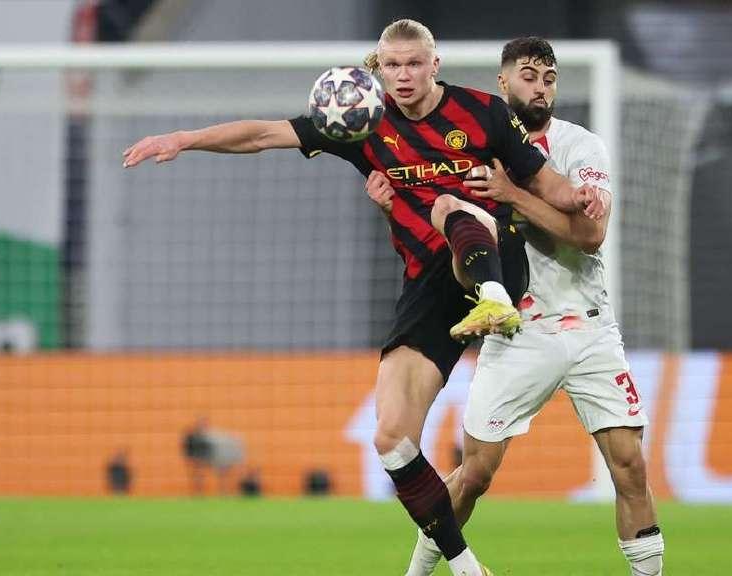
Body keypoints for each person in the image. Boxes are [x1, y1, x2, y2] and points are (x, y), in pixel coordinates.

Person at [121, 19, 603, 576]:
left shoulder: (483, 113)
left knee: (448, 205)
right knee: (392, 438)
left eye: (414, 64)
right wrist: (184, 139)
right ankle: (467, 568)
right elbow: (262, 135)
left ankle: (492, 297)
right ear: (380, 67)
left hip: (495, 255)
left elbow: (547, 185)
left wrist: (580, 195)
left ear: (434, 65)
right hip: (428, 282)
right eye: (393, 65)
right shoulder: (361, 119)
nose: (404, 75)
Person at [366, 38, 665, 576]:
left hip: (590, 329)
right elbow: (434, 236)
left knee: (630, 466)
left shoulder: (580, 147)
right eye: (529, 77)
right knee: (475, 474)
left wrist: (512, 194)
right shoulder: (471, 142)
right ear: (503, 83)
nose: (541, 88)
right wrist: (391, 209)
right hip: (516, 330)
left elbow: (590, 235)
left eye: (549, 78)